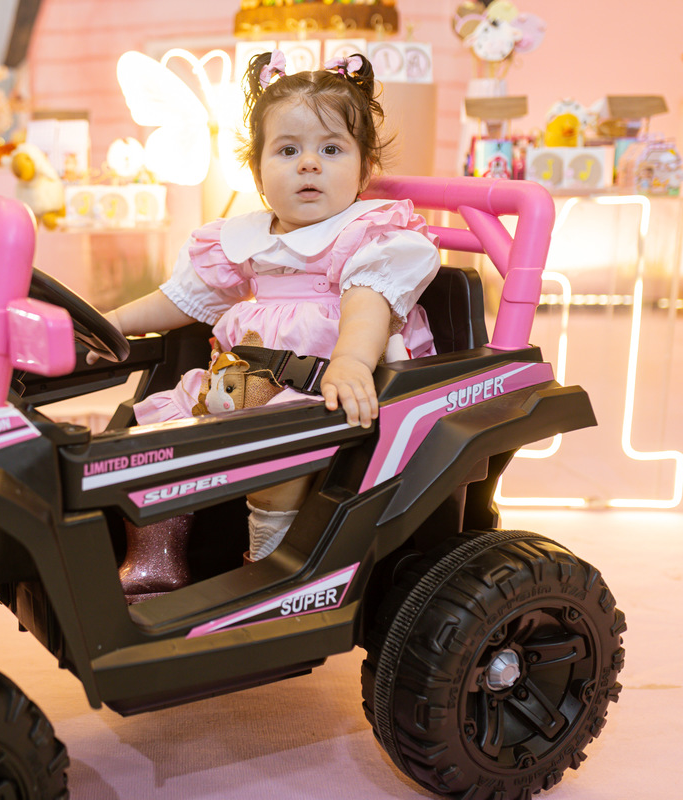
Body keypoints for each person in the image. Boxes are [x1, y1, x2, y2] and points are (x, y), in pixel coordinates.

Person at [99, 49, 441, 567]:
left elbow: (366, 305)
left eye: (331, 149)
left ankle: (270, 567)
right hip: (242, 381)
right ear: (258, 173)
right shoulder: (246, 238)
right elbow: (183, 298)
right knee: (156, 435)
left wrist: (351, 361)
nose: (309, 163)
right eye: (287, 150)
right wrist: (113, 323)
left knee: (276, 461)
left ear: (364, 170)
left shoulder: (368, 236)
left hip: (322, 386)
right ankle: (154, 563)